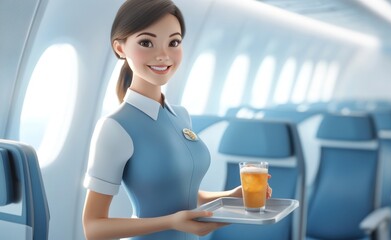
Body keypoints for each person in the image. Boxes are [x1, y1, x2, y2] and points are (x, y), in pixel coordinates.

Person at [82, 0, 271, 239]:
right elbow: (93, 227)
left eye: (173, 42)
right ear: (120, 48)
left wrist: (230, 196)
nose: (163, 55)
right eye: (146, 43)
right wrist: (171, 222)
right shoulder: (115, 127)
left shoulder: (180, 115)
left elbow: (181, 194)